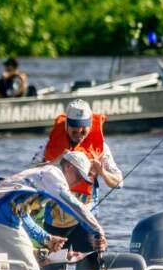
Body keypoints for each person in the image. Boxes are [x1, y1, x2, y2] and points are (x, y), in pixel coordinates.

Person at [0, 151, 107, 270]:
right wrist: (97, 230)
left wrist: (46, 238)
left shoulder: (39, 175)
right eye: (78, 177)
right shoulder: (53, 175)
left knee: (6, 267)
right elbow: (73, 205)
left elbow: (20, 212)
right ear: (69, 167)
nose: (78, 183)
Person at [30, 99, 123, 253]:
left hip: (85, 221)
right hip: (54, 222)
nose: (79, 134)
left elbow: (119, 182)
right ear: (66, 125)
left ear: (90, 126)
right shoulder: (49, 145)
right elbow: (29, 173)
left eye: (83, 130)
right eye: (74, 130)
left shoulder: (101, 149)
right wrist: (55, 161)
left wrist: (102, 172)